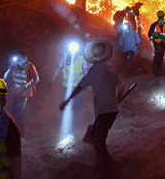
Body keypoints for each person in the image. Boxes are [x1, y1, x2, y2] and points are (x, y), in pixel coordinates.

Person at [60, 40, 125, 174]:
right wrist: (116, 100)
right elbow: (122, 88)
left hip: (104, 111)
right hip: (111, 110)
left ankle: (112, 169)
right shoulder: (111, 68)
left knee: (98, 143)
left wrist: (67, 101)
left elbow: (80, 86)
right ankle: (98, 164)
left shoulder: (95, 69)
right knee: (93, 136)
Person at [3, 51, 39, 139]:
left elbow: (36, 79)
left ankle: (22, 134)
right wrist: (10, 66)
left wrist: (27, 90)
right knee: (14, 111)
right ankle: (21, 131)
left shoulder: (30, 66)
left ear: (24, 58)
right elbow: (6, 77)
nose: (18, 61)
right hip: (17, 93)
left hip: (26, 94)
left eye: (19, 58)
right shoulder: (14, 66)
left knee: (19, 113)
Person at [52, 41, 89, 126]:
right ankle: (67, 122)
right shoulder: (65, 56)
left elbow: (85, 70)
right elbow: (59, 67)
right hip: (67, 86)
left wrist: (87, 82)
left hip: (78, 87)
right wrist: (53, 79)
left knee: (77, 105)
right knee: (67, 104)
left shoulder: (81, 58)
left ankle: (75, 122)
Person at [147, 11, 165, 76]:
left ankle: (159, 71)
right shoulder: (154, 25)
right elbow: (150, 33)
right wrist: (152, 36)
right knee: (157, 54)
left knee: (161, 55)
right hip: (156, 42)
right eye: (162, 17)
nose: (163, 18)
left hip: (163, 42)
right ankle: (154, 69)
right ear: (160, 17)